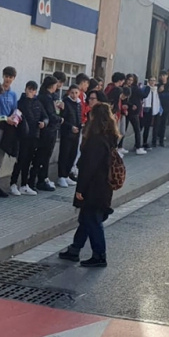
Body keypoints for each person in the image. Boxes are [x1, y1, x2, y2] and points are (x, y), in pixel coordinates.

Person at [58, 103, 119, 268]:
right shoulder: (110, 136)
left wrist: (80, 190)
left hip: (94, 187)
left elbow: (88, 167)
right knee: (85, 218)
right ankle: (75, 249)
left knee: (92, 220)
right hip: (103, 185)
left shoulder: (96, 140)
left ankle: (99, 255)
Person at [10, 81, 44, 196]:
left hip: (34, 136)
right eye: (29, 89)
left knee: (28, 161)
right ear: (25, 89)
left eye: (33, 90)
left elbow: (45, 116)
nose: (31, 92)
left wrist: (44, 122)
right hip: (23, 136)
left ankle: (24, 184)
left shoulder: (38, 103)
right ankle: (13, 183)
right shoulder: (21, 102)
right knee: (20, 160)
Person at [0, 67, 17, 198]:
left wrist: (13, 119)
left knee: (0, 158)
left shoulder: (13, 95)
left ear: (13, 79)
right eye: (6, 76)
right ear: (3, 76)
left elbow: (14, 110)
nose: (8, 79)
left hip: (8, 129)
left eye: (10, 77)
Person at [35, 76, 61, 192]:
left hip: (49, 129)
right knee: (44, 156)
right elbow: (51, 114)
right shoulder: (46, 98)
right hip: (47, 130)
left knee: (44, 156)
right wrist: (60, 119)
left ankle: (42, 178)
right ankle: (41, 179)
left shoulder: (50, 97)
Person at [58, 85, 81, 188]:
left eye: (76, 93)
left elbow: (79, 117)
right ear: (69, 93)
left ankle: (67, 174)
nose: (74, 95)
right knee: (64, 154)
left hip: (76, 133)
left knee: (73, 154)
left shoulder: (79, 104)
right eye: (72, 93)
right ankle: (61, 176)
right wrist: (70, 127)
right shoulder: (65, 103)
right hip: (67, 133)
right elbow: (63, 119)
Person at [141, 77, 161, 149]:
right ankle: (137, 143)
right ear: (149, 81)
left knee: (147, 127)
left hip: (152, 109)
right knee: (141, 126)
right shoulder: (146, 88)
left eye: (154, 81)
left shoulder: (155, 89)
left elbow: (156, 100)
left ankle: (144, 142)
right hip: (146, 108)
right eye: (151, 80)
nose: (153, 82)